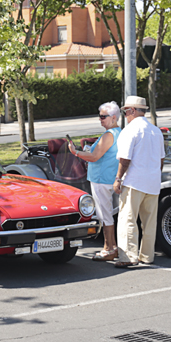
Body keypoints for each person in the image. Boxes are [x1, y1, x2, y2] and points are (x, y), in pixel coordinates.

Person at [112, 96, 165, 268]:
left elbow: (125, 159)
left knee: (127, 219)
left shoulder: (130, 130)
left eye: (126, 111)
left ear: (132, 111)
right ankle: (147, 255)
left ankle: (128, 256)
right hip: (153, 182)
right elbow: (161, 160)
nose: (125, 115)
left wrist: (118, 178)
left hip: (134, 181)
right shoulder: (156, 131)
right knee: (149, 222)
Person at [68, 101, 121, 261]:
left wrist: (75, 152)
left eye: (103, 116)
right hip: (110, 177)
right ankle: (112, 247)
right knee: (108, 214)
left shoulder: (109, 135)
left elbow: (94, 156)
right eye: (100, 116)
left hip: (101, 178)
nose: (100, 119)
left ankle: (108, 248)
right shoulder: (119, 132)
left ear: (113, 117)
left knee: (104, 215)